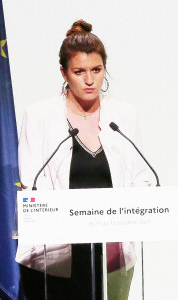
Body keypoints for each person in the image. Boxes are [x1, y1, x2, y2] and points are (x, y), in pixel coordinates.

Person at [16, 20, 149, 300]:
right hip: (53, 258)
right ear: (64, 73)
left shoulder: (124, 116)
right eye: (79, 72)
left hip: (113, 257)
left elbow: (142, 180)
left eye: (96, 70)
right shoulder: (39, 116)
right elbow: (32, 184)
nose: (90, 81)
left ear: (104, 70)